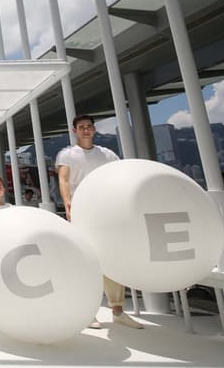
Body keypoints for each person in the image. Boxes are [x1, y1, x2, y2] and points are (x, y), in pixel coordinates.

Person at [56, 114, 143, 330]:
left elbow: (119, 176)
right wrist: (68, 205)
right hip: (82, 213)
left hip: (106, 213)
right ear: (74, 130)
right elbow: (63, 179)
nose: (85, 130)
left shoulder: (108, 154)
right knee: (87, 261)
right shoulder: (67, 154)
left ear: (94, 130)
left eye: (88, 127)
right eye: (81, 127)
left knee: (112, 259)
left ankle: (118, 311)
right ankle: (89, 313)